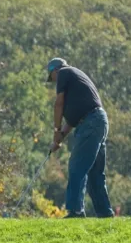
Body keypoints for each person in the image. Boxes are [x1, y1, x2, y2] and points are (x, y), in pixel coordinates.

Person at [46, 57, 114, 218]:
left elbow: (58, 104)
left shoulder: (64, 72)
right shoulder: (75, 83)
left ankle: (75, 211)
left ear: (55, 70)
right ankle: (105, 213)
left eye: (51, 77)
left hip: (90, 122)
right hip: (98, 121)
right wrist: (59, 139)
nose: (54, 82)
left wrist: (55, 130)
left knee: (77, 167)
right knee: (95, 174)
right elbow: (70, 122)